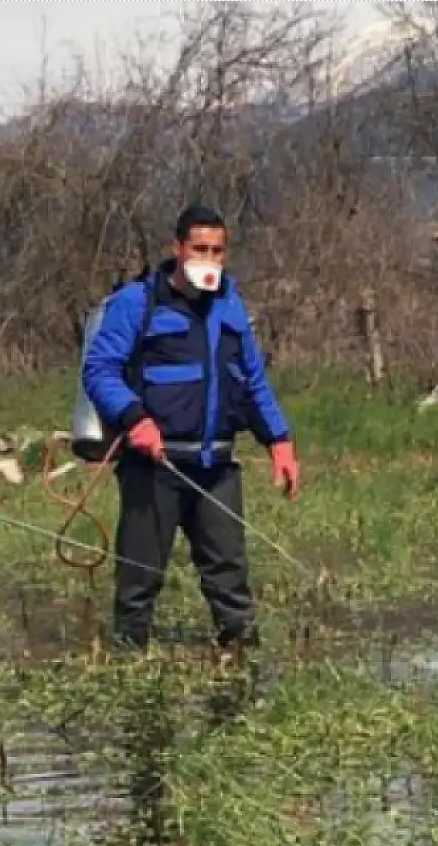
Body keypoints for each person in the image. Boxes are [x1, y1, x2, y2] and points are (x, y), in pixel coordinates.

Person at [82, 204, 299, 652]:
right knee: (139, 582)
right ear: (177, 249)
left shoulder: (231, 306)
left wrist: (279, 441)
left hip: (216, 467)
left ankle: (241, 671)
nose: (209, 259)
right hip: (154, 467)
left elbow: (253, 380)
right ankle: (127, 673)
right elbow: (100, 369)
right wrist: (133, 418)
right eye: (199, 248)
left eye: (217, 250)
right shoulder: (136, 303)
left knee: (230, 581)